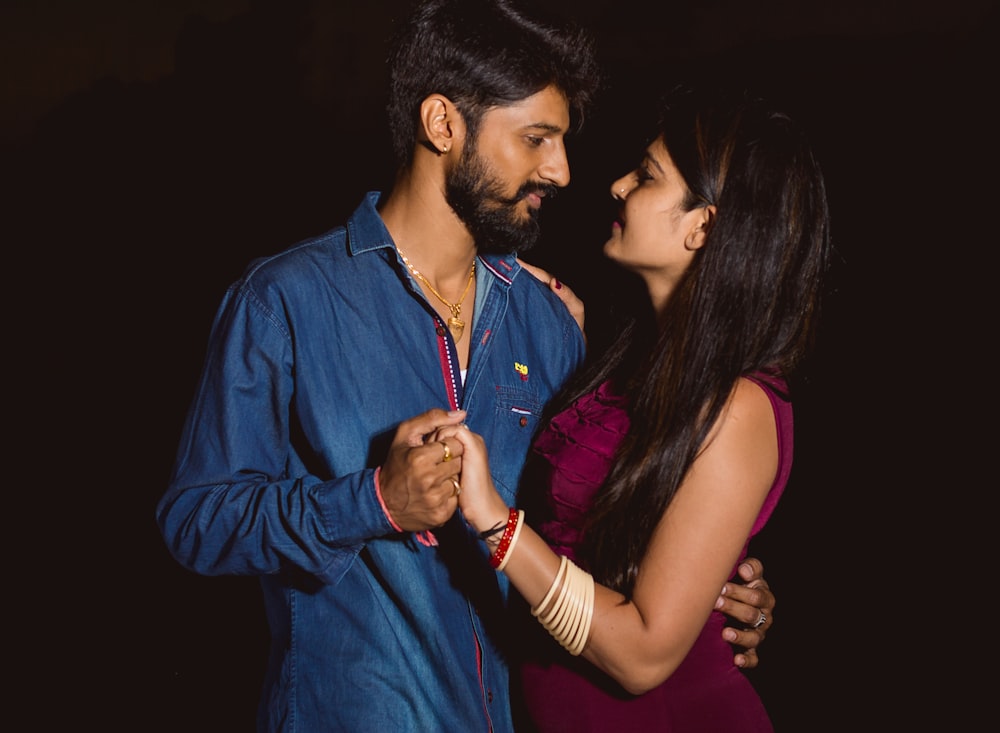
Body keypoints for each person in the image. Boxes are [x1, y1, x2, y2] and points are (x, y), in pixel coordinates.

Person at [156, 2, 776, 730]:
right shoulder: (283, 301)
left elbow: (585, 537)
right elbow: (195, 520)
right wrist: (373, 500)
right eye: (536, 139)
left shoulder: (548, 324)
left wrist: (709, 597)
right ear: (443, 124)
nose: (563, 170)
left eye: (562, 141)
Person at [444, 83, 831, 731]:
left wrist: (494, 524)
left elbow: (644, 654)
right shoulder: (625, 358)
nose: (618, 186)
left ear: (704, 225)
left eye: (646, 177)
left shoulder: (740, 407)